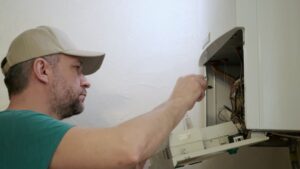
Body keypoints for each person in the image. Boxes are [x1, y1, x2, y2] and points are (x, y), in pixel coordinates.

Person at [0, 26, 207, 169]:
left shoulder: (28, 141)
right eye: (77, 69)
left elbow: (126, 156)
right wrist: (180, 100)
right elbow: (128, 149)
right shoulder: (15, 126)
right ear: (43, 70)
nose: (86, 81)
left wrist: (169, 103)